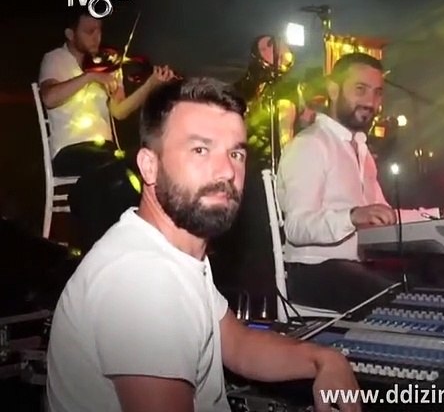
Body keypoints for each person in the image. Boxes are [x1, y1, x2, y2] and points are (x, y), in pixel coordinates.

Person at [46, 77, 360, 412]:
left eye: (235, 153)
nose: (226, 171)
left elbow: (239, 345)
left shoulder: (172, 251)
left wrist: (325, 360)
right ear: (149, 166)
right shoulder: (141, 276)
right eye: (200, 150)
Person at [276, 53, 444, 312]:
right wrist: (353, 216)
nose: (370, 102)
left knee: (438, 290)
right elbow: (297, 227)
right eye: (360, 89)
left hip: (355, 267)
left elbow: (384, 216)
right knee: (407, 303)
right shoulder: (310, 144)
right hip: (312, 272)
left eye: (377, 93)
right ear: (333, 89)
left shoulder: (360, 149)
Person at [38, 9, 176, 248]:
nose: (97, 37)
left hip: (106, 153)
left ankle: (121, 241)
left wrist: (150, 85)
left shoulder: (107, 64)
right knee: (117, 172)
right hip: (70, 151)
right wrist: (90, 77)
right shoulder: (55, 59)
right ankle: (112, 244)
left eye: (99, 30)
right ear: (70, 34)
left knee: (137, 166)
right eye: (89, 31)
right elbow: (49, 98)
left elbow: (119, 111)